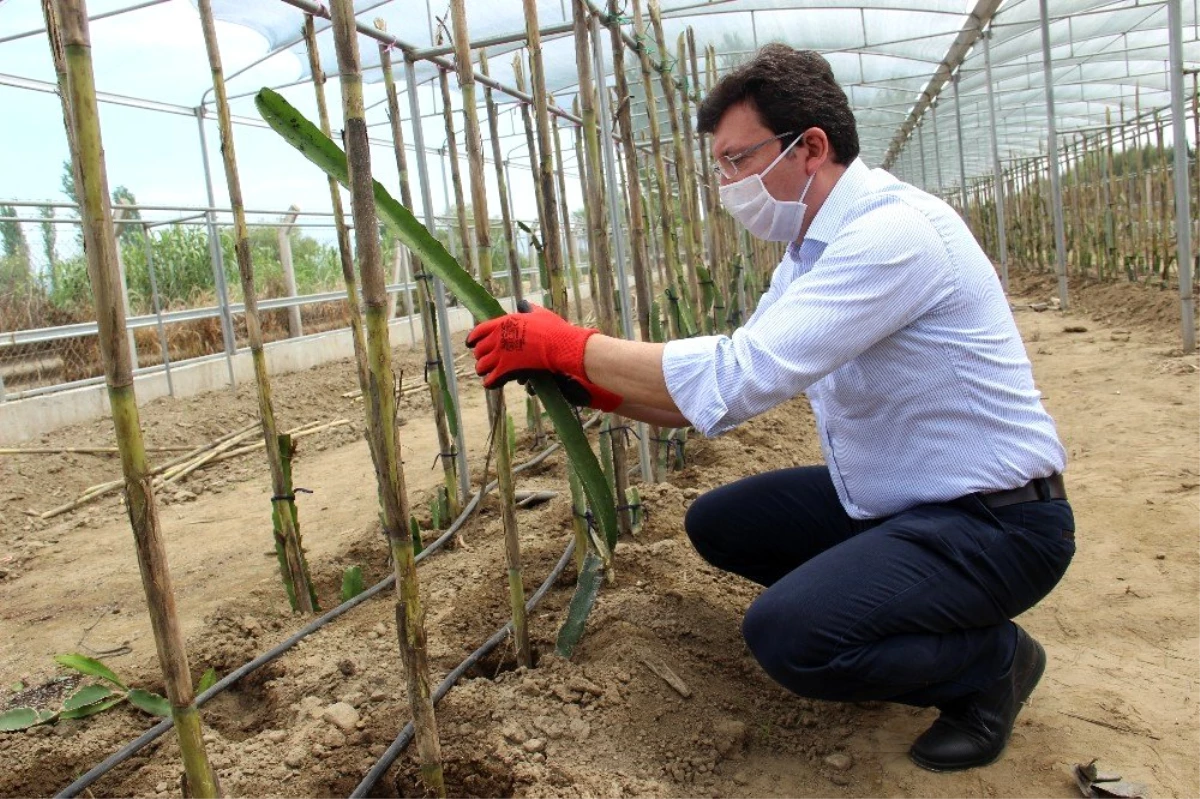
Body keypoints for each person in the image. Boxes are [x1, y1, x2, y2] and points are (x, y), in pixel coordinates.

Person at [466, 44, 1075, 772]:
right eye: (719, 166)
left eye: (737, 159)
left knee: (790, 636)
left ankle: (991, 663)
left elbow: (738, 372)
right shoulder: (807, 254)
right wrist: (587, 382)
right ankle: (898, 620)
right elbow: (708, 400)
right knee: (722, 523)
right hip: (904, 503)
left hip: (998, 523)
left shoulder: (894, 235)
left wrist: (573, 345)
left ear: (809, 147)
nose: (726, 183)